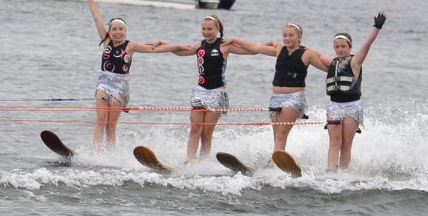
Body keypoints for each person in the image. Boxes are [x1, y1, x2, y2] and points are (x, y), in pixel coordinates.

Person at [153, 13, 261, 163]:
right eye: (203, 28)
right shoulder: (200, 45)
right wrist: (162, 43)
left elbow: (254, 50)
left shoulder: (225, 46)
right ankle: (189, 161)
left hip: (217, 93)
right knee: (195, 128)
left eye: (209, 29)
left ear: (217, 29)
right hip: (200, 91)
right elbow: (179, 51)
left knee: (206, 134)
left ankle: (202, 163)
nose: (206, 32)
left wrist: (236, 40)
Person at [82, 0, 166, 150]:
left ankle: (111, 154)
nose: (117, 32)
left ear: (126, 31)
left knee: (110, 125)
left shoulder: (131, 46)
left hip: (121, 86)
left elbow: (153, 49)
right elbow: (97, 17)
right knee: (100, 119)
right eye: (114, 29)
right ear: (110, 31)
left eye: (121, 29)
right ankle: (96, 152)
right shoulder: (106, 41)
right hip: (104, 83)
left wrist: (177, 47)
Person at [235, 23, 332, 153]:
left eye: (291, 35)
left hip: (294, 98)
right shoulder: (279, 50)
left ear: (299, 37)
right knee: (276, 134)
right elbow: (256, 47)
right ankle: (277, 159)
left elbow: (327, 68)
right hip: (275, 98)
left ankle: (273, 163)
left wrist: (347, 69)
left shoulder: (307, 54)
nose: (287, 38)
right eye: (285, 35)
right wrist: (233, 40)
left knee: (281, 133)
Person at [323, 11, 386, 172]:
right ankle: (330, 171)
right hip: (334, 106)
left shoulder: (355, 62)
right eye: (337, 47)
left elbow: (367, 44)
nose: (340, 49)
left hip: (352, 107)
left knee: (346, 144)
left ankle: (343, 173)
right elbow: (310, 55)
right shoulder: (332, 63)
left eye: (343, 46)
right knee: (334, 141)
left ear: (350, 47)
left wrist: (376, 27)